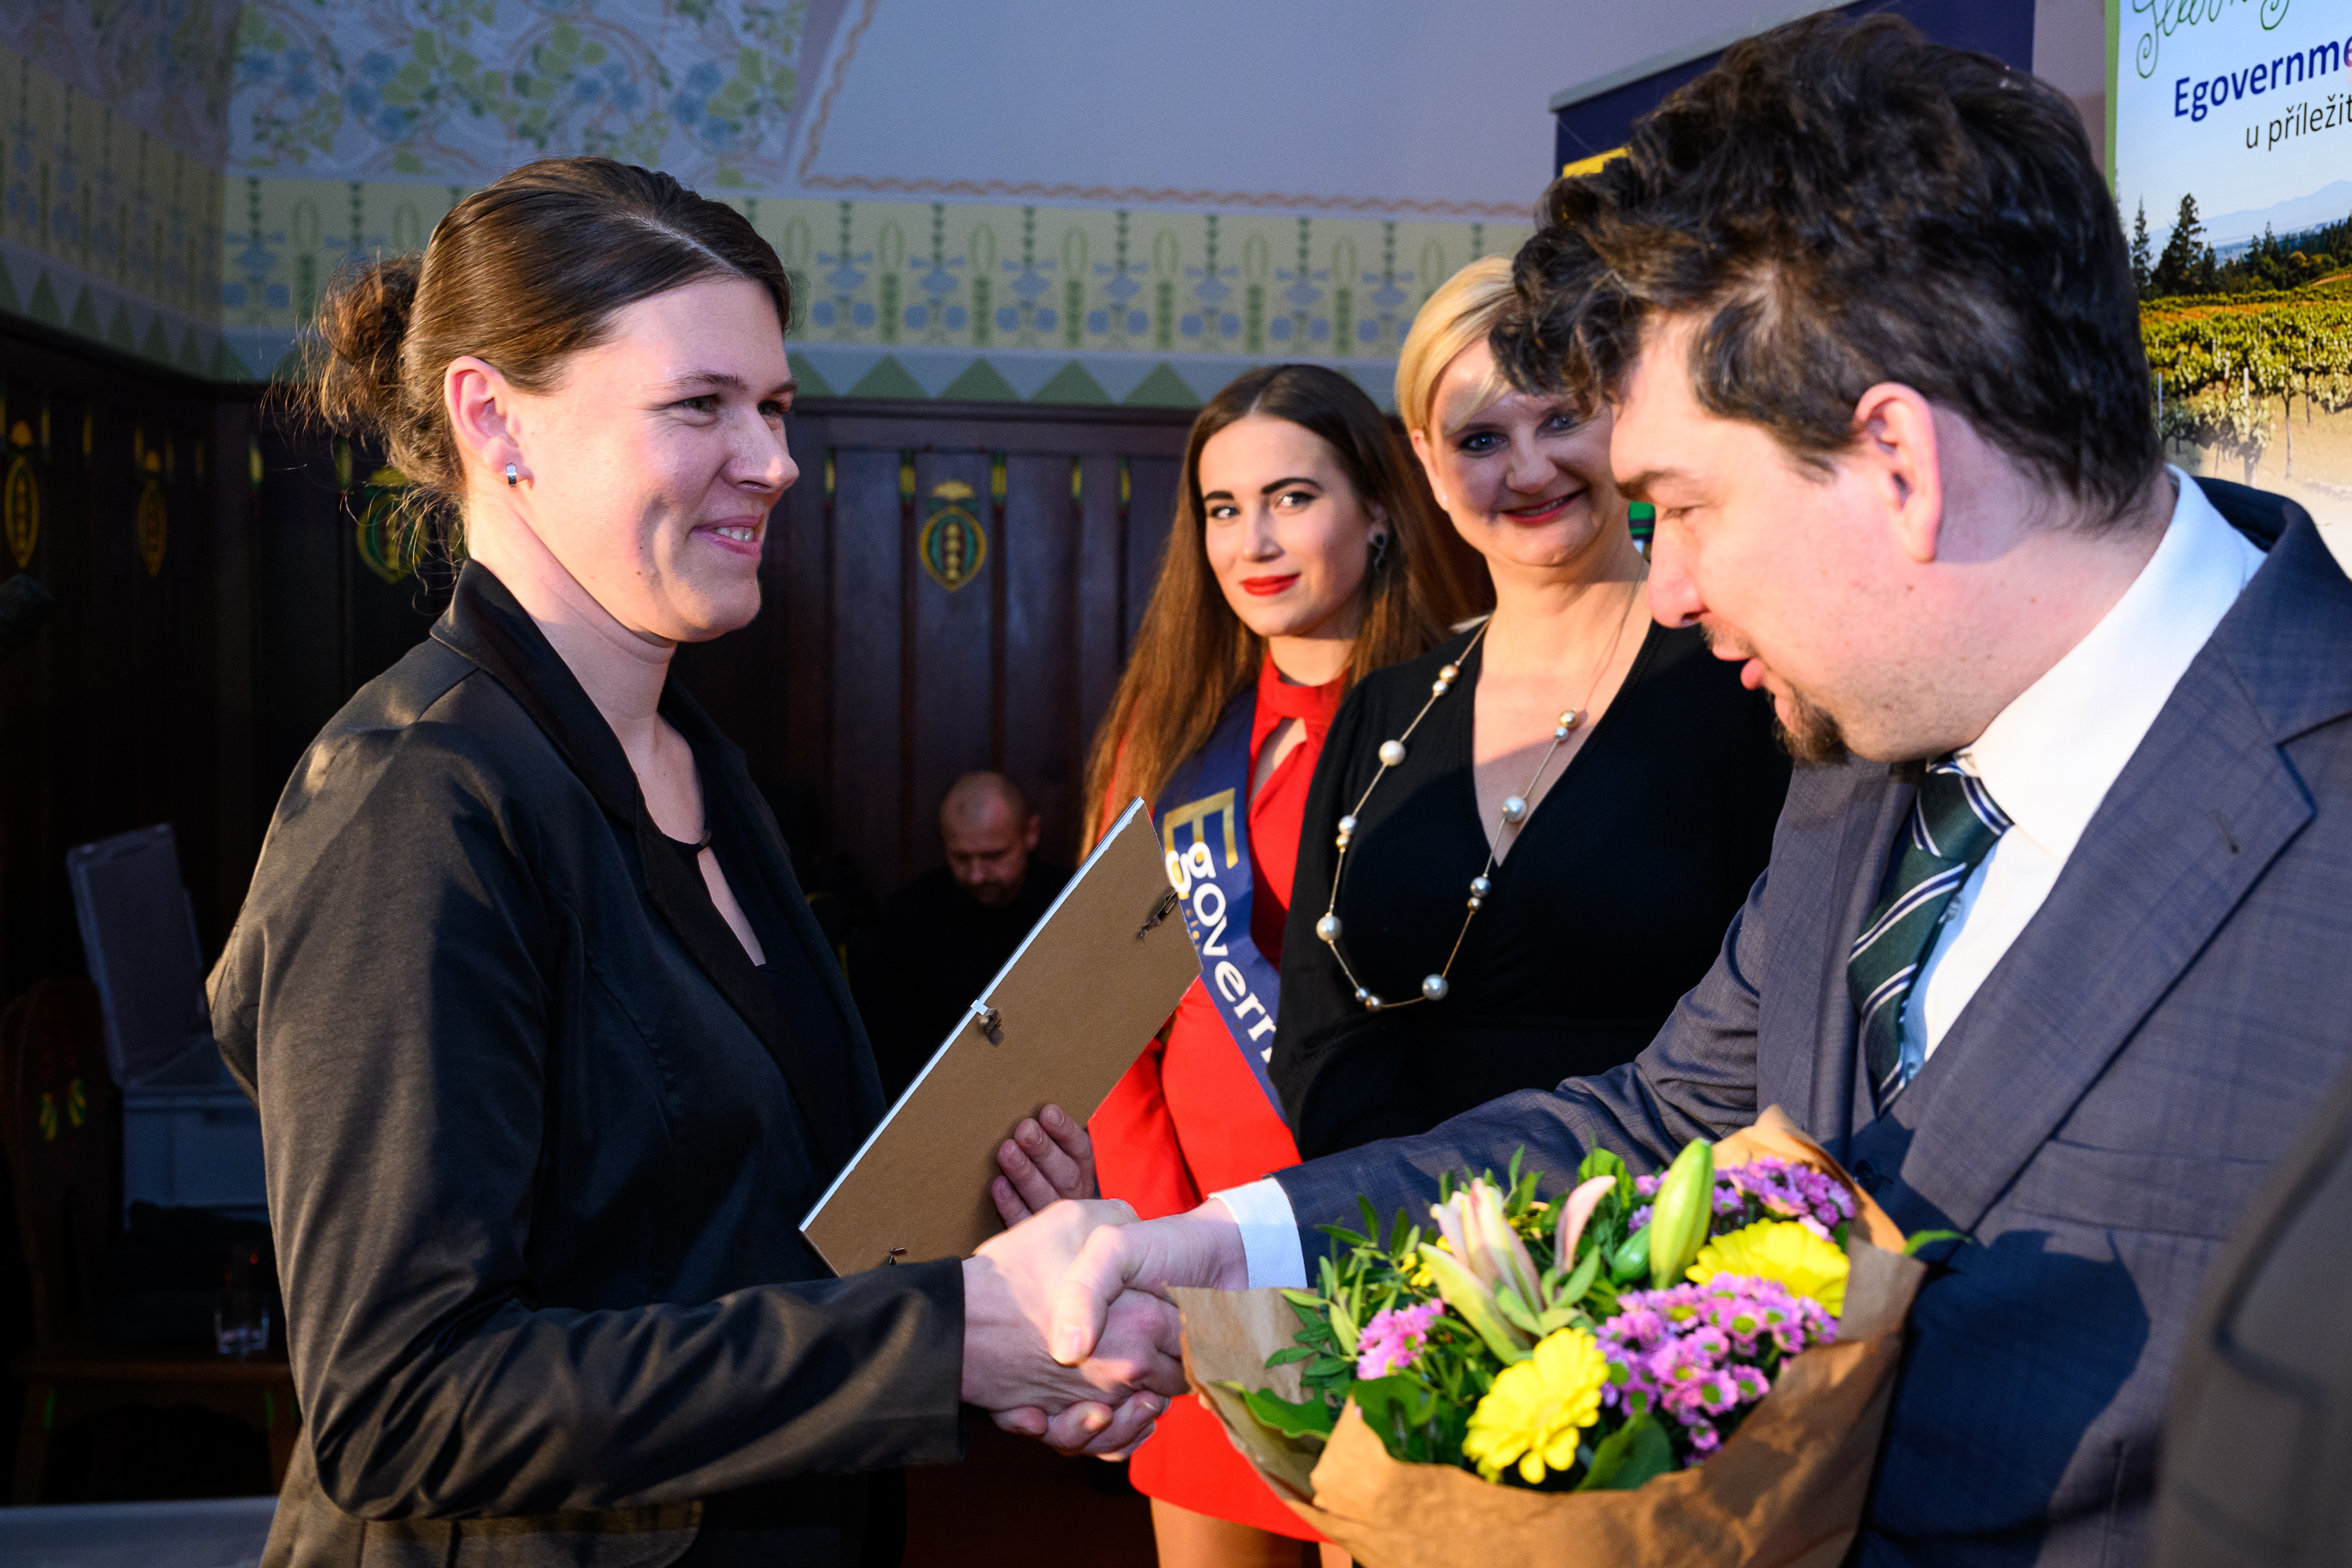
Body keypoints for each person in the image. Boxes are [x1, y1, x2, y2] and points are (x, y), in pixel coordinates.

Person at [1043, 17, 2352, 1565]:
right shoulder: (1856, 757)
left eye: (1682, 503)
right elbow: (1662, 1117)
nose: (1663, 587)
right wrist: (1228, 1245)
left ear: (1898, 465)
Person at [208, 156, 1175, 1568]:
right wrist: (938, 1341)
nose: (775, 462)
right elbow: (399, 1406)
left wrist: (998, 1267)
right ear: (494, 420)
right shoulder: (413, 806)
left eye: (774, 407)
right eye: (699, 405)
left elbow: (730, 1232)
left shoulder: (697, 762)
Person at [995, 364, 1475, 1568]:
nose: (1252, 541)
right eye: (1222, 508)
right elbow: (1117, 1030)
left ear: (1379, 512)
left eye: (1292, 497)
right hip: (1204, 1262)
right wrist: (1161, 1254)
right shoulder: (1171, 728)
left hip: (1391, 1253)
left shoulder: (1466, 716)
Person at [1272, 258, 1788, 1160]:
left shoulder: (1748, 678)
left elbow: (1790, 1017)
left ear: (1622, 416)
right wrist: (1413, 1226)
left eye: (1560, 417)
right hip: (1391, 1232)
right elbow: (1318, 1034)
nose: (1529, 467)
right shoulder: (1383, 712)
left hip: (1663, 1223)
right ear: (1429, 464)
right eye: (1480, 439)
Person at [852, 771, 1071, 1098]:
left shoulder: (1069, 901)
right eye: (962, 858)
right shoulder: (910, 916)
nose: (977, 875)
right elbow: (887, 1049)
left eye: (994, 856)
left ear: (1031, 833)